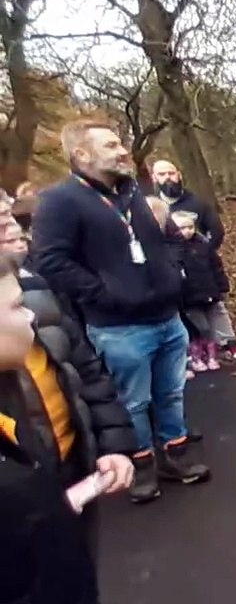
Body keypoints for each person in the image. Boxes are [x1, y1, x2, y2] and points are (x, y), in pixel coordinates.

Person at [30, 119, 210, 499]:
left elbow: (170, 238)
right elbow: (51, 261)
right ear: (82, 155)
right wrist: (105, 294)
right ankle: (141, 464)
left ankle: (174, 453)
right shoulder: (60, 201)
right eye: (111, 145)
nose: (122, 150)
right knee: (133, 399)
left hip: (167, 317)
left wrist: (172, 272)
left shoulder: (132, 194)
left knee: (171, 392)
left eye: (119, 144)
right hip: (119, 327)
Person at [0, 253, 135, 604]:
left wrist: (112, 444)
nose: (30, 320)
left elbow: (87, 375)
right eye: (16, 308)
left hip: (68, 469)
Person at [0, 205, 139, 524]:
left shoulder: (37, 292)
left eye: (10, 216)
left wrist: (111, 445)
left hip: (75, 473)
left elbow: (86, 371)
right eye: (1, 221)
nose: (13, 228)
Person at [151, 159, 236, 360]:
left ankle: (226, 342)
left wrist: (204, 252)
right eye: (162, 174)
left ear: (179, 174)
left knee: (215, 307)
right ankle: (192, 349)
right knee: (186, 311)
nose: (168, 178)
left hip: (202, 268)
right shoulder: (150, 207)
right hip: (170, 270)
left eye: (171, 173)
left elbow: (216, 231)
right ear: (154, 178)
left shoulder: (197, 203)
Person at [170, 209, 230, 373]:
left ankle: (211, 355)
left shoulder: (204, 246)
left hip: (208, 292)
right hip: (189, 298)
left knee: (210, 327)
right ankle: (196, 356)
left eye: (190, 227)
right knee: (198, 327)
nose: (187, 231)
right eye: (182, 228)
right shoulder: (174, 251)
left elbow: (216, 268)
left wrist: (222, 287)